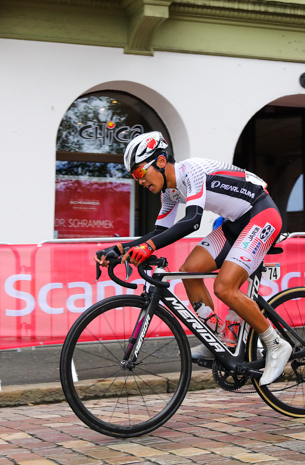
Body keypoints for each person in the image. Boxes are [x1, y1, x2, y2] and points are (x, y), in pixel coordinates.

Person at [95, 131, 290, 386]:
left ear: (161, 162)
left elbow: (192, 221)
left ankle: (276, 345)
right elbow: (159, 233)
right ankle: (219, 338)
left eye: (141, 173)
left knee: (224, 287)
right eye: (134, 176)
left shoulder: (192, 171)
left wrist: (148, 247)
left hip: (261, 214)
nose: (140, 181)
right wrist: (119, 250)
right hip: (236, 224)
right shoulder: (170, 192)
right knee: (189, 271)